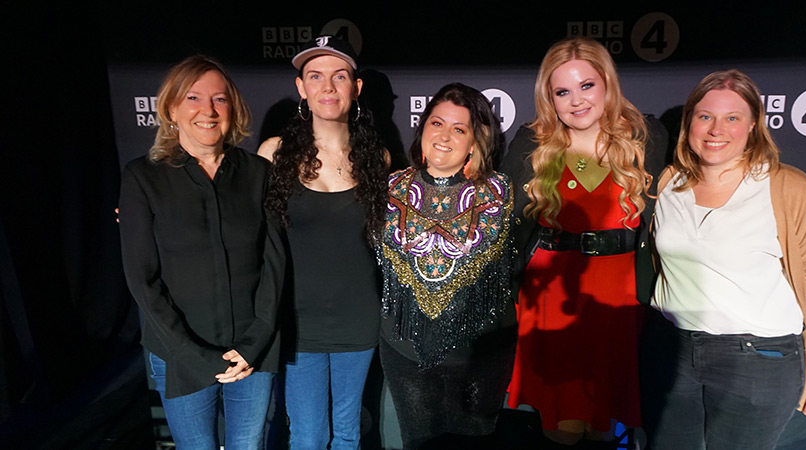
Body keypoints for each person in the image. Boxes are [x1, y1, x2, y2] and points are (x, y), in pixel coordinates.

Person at [640, 69, 806, 449]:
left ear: (753, 126)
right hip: (671, 350)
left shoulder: (789, 189)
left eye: (732, 118)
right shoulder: (669, 183)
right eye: (705, 117)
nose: (717, 129)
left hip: (758, 360)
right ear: (690, 124)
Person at [502, 37, 666, 446]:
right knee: (562, 426)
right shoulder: (532, 144)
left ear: (607, 83)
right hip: (553, 297)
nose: (576, 101)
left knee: (604, 423)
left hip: (619, 297)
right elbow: (506, 228)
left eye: (586, 85)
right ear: (550, 98)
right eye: (563, 91)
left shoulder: (647, 137)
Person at [119, 55, 284, 449]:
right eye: (193, 98)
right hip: (180, 351)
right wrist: (188, 353)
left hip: (251, 350)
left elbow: (274, 264)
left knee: (249, 444)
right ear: (172, 108)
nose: (207, 110)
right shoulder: (143, 178)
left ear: (234, 109)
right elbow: (142, 279)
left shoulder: (258, 174)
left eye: (220, 99)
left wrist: (256, 340)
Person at [258, 35, 387, 450]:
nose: (327, 87)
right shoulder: (273, 154)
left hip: (359, 318)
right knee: (309, 436)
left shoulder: (378, 158)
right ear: (301, 88)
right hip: (298, 322)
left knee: (348, 432)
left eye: (340, 76)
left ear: (356, 87)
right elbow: (237, 224)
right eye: (315, 76)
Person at [378, 83, 516, 449]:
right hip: (406, 351)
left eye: (459, 129)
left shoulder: (501, 192)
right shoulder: (388, 189)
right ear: (422, 129)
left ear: (475, 141)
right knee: (418, 443)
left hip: (481, 356)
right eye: (436, 123)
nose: (444, 136)